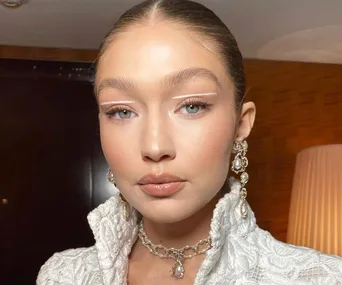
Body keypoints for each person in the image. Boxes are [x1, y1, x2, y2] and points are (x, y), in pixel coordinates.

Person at [37, 0, 342, 284]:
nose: (155, 147)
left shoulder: (321, 278)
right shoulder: (62, 276)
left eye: (192, 106)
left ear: (241, 123)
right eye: (121, 111)